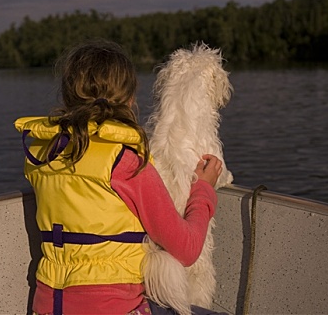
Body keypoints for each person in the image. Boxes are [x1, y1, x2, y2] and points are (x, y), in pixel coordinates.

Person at [14, 39, 226, 315]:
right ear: (129, 98)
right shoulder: (124, 162)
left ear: (67, 96)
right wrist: (203, 191)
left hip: (47, 308)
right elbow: (186, 249)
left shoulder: (42, 155)